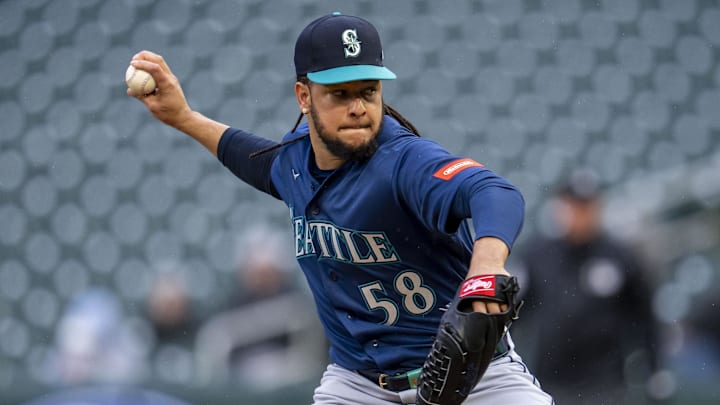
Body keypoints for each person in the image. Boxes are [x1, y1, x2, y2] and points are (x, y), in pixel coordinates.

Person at [128, 12, 553, 404]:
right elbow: (251, 157)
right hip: (359, 385)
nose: (358, 107)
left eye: (368, 91)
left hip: (474, 380)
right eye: (339, 93)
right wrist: (183, 117)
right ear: (304, 96)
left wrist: (487, 264)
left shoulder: (403, 162)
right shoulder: (295, 163)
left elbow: (494, 192)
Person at [512, 169, 661, 404]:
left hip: (604, 381)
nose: (580, 214)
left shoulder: (619, 256)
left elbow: (644, 318)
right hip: (549, 379)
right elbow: (513, 313)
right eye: (574, 205)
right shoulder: (538, 254)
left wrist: (655, 369)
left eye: (586, 206)